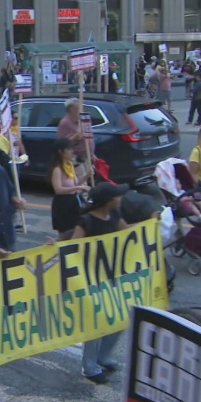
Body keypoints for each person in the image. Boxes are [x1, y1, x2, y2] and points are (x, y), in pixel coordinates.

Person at [70, 182, 125, 384]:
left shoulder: (115, 216)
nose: (120, 199)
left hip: (112, 275)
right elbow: (72, 247)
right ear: (108, 201)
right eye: (117, 196)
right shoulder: (86, 222)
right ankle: (90, 367)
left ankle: (103, 356)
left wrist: (151, 224)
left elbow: (128, 233)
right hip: (91, 279)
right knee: (95, 324)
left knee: (120, 317)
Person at [48, 138, 91, 239]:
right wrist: (77, 187)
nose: (72, 151)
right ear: (61, 151)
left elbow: (74, 182)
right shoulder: (57, 169)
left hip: (73, 202)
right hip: (63, 204)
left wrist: (87, 176)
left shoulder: (69, 166)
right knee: (66, 234)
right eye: (69, 149)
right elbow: (58, 189)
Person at [56, 98, 94, 178]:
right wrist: (75, 137)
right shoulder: (65, 123)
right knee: (81, 179)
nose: (81, 109)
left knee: (89, 178)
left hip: (86, 156)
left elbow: (87, 138)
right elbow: (62, 143)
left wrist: (92, 153)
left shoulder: (82, 120)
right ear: (71, 109)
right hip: (76, 157)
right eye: (78, 107)